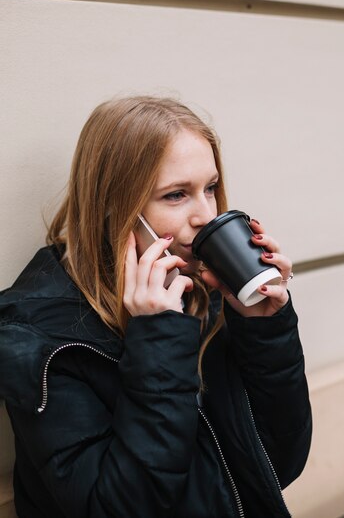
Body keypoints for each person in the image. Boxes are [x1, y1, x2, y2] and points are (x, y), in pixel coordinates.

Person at [0, 96, 312, 518]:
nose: (206, 214)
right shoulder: (39, 338)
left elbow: (277, 463)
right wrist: (160, 338)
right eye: (176, 194)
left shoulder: (204, 291)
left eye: (211, 188)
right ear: (115, 207)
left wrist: (264, 330)